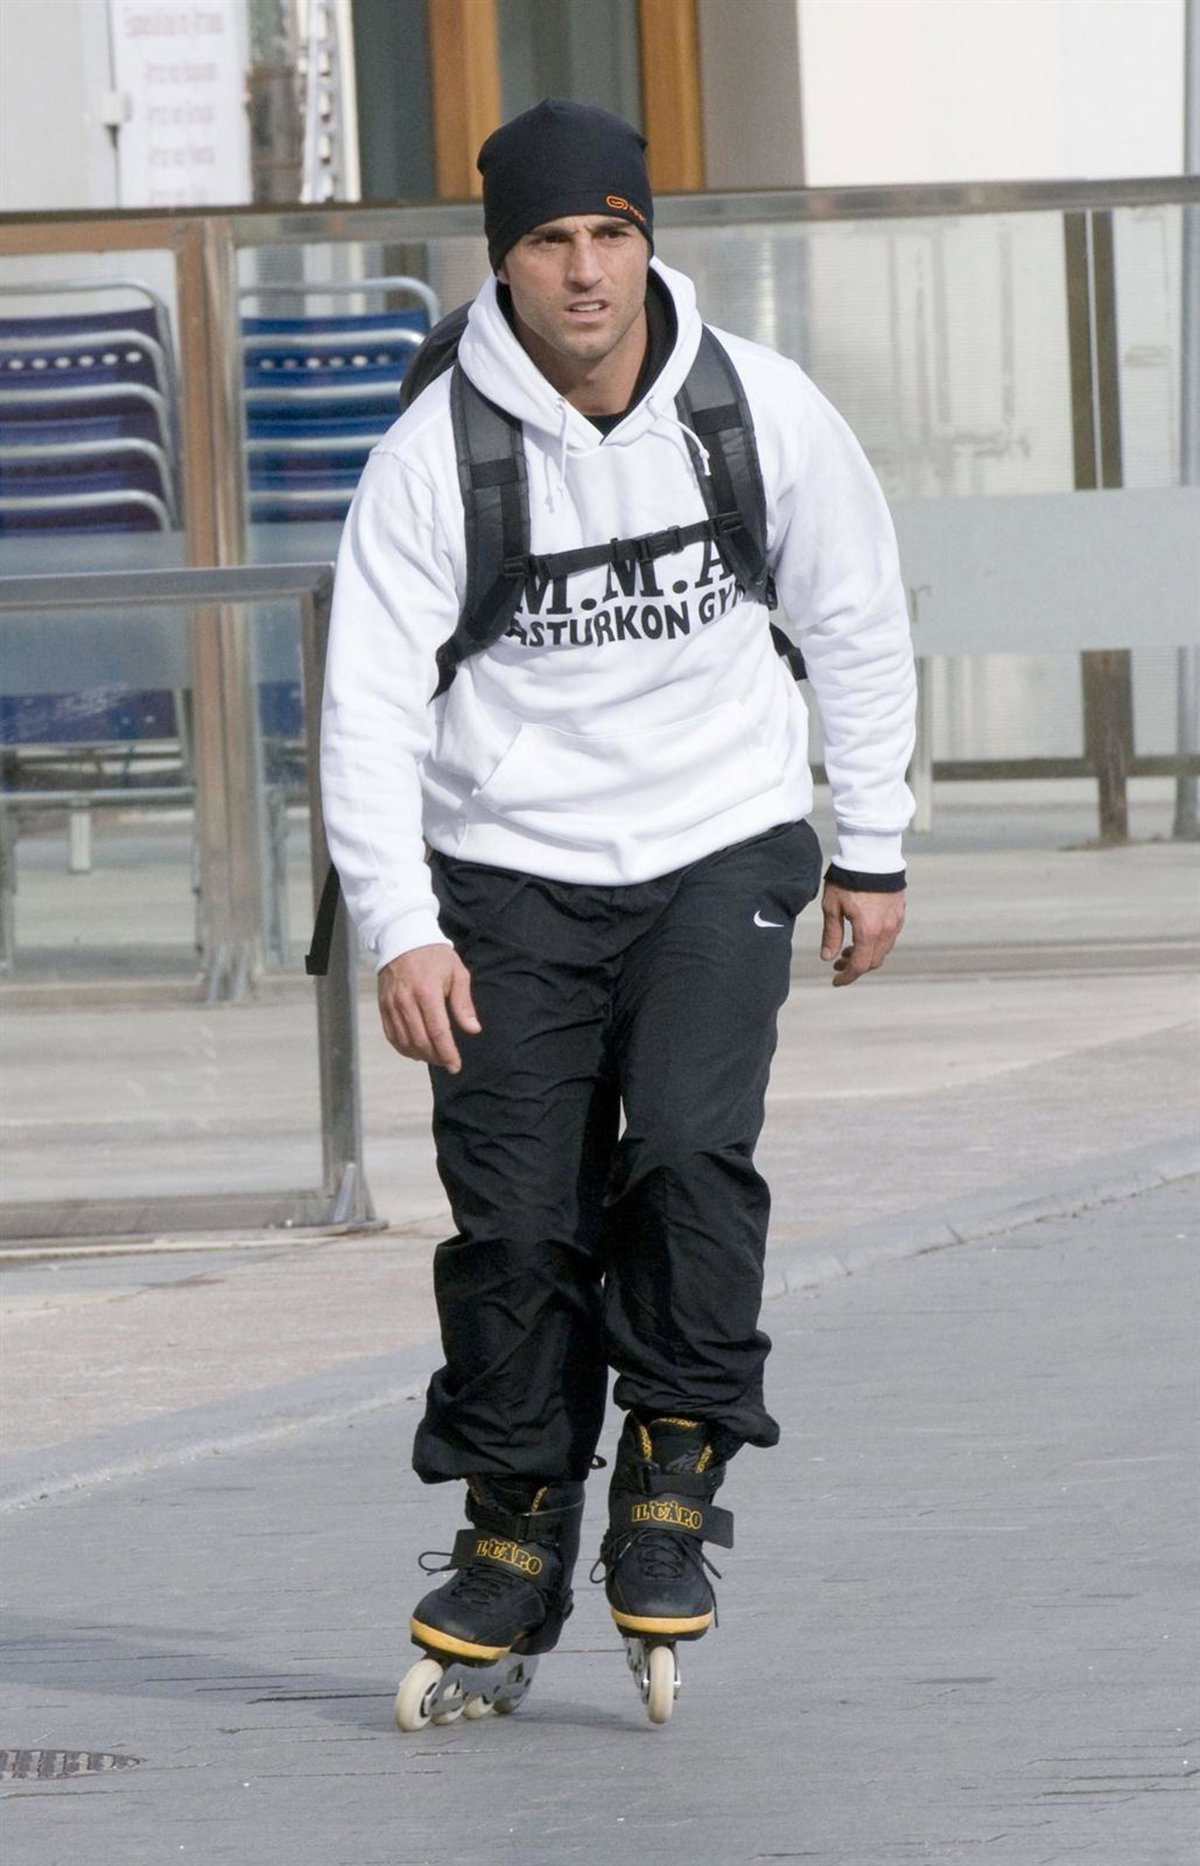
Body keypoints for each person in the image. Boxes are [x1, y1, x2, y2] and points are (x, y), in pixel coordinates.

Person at [321, 98, 915, 1724]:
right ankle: (514, 1525)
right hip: (505, 872)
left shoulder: (757, 409)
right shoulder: (435, 454)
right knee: (518, 1219)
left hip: (720, 844)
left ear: (647, 243)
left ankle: (672, 1467)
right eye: (549, 240)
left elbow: (857, 619)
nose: (586, 270)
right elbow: (365, 707)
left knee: (689, 1153)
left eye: (613, 233)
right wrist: (399, 925)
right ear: (501, 262)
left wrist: (872, 846)